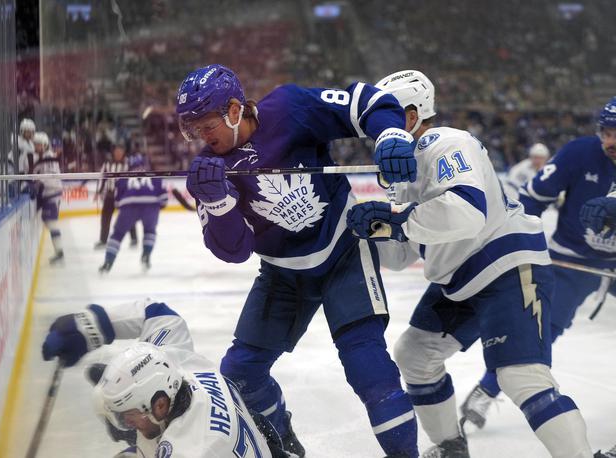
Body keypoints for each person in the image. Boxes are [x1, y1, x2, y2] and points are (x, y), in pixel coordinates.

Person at [176, 64, 419, 457]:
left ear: (235, 110)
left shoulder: (288, 108)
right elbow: (234, 251)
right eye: (192, 130)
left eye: (206, 126)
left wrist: (390, 133)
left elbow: (366, 102)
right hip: (282, 274)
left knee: (368, 366)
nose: (201, 139)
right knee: (241, 375)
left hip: (343, 251)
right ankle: (283, 444)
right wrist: (216, 200)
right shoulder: (210, 171)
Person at [347, 69, 594, 457]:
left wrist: (397, 218)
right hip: (460, 280)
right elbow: (400, 255)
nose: (374, 131)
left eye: (385, 117)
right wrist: (369, 227)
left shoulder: (446, 141)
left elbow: (467, 211)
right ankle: (450, 447)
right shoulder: (403, 169)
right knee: (415, 356)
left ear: (411, 116)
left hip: (506, 265)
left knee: (520, 376)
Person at [459, 96, 616, 432]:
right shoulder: (579, 153)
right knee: (540, 331)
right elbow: (531, 199)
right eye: (606, 131)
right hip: (569, 262)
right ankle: (487, 389)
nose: (610, 141)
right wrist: (515, 244)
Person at [41, 299, 289, 457]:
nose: (126, 423)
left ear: (159, 404)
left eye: (128, 416)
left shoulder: (192, 449)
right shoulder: (180, 364)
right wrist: (89, 326)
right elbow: (158, 314)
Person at [99, 154, 167, 273]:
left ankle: (108, 262)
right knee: (150, 231)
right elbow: (164, 198)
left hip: (129, 205)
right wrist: (157, 206)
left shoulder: (123, 177)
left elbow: (117, 201)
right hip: (151, 204)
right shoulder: (154, 175)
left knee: (117, 234)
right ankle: (146, 254)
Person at [95, 143, 138, 250]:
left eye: (120, 151)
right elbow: (102, 178)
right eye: (117, 151)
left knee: (128, 216)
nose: (118, 153)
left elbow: (134, 179)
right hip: (110, 195)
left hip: (123, 195)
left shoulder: (128, 164)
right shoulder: (107, 163)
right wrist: (98, 192)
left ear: (123, 152)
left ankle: (134, 238)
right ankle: (103, 240)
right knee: (105, 218)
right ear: (114, 152)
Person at [32, 132, 65, 264]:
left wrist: (37, 181)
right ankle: (59, 251)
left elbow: (51, 178)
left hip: (52, 194)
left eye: (39, 144)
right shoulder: (41, 157)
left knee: (51, 223)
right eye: (35, 144)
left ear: (45, 145)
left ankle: (60, 252)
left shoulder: (49, 157)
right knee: (48, 221)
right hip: (48, 194)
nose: (36, 146)